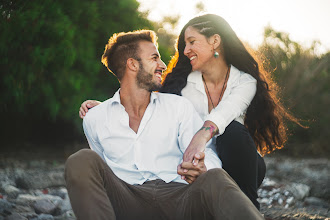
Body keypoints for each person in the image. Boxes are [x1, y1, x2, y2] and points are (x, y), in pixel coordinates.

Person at [78, 14, 300, 209]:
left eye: (192, 42)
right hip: (196, 161)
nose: (185, 51)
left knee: (231, 132)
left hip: (237, 161)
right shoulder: (182, 83)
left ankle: (249, 207)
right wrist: (108, 108)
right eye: (184, 44)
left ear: (215, 41)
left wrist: (201, 137)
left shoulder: (244, 82)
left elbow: (224, 114)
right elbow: (146, 96)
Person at [65, 29, 264, 220]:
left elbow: (208, 153)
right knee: (81, 159)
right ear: (132, 64)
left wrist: (204, 167)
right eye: (154, 58)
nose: (162, 64)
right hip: (127, 202)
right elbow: (99, 173)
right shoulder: (95, 118)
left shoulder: (178, 107)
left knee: (216, 177)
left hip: (180, 199)